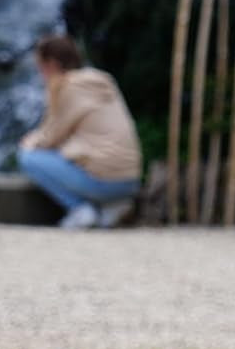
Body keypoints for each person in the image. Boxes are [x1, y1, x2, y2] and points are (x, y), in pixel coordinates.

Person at [18, 35, 143, 229]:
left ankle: (80, 210)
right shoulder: (102, 80)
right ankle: (112, 206)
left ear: (51, 64)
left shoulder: (67, 86)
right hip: (131, 180)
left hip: (104, 182)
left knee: (29, 157)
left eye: (40, 66)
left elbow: (50, 138)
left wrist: (29, 141)